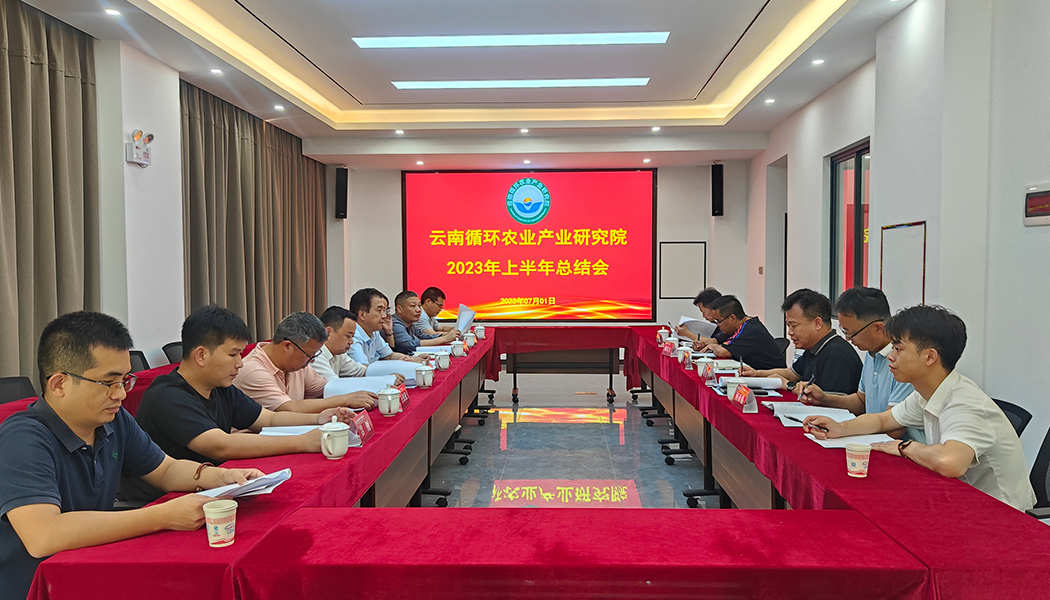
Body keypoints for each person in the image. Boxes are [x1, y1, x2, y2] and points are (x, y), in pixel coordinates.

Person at [0, 312, 264, 600]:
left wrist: (221, 477)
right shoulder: (23, 438)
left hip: (91, 571)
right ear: (59, 384)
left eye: (125, 380)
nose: (121, 395)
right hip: (36, 589)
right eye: (108, 383)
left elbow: (165, 470)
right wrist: (163, 516)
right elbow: (43, 535)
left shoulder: (113, 421)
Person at [804, 305, 1036, 511]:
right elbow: (883, 420)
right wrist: (840, 428)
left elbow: (950, 463)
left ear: (929, 357)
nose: (890, 357)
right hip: (962, 500)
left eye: (898, 349)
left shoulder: (965, 403)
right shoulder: (926, 393)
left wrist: (904, 447)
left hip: (1002, 514)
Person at [122, 306, 358, 503]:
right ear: (201, 355)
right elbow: (221, 446)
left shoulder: (220, 387)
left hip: (210, 490)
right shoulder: (168, 396)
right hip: (163, 501)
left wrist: (318, 419)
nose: (240, 363)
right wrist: (303, 442)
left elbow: (268, 419)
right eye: (233, 354)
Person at [798, 288, 923, 441]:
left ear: (878, 328)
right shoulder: (871, 353)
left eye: (851, 333)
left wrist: (844, 429)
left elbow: (894, 428)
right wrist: (824, 399)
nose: (848, 339)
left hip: (897, 445)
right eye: (844, 332)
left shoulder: (905, 361)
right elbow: (861, 401)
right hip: (874, 437)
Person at [234, 312, 377, 412]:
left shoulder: (298, 365)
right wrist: (344, 400)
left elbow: (326, 388)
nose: (312, 360)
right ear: (287, 346)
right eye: (309, 355)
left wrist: (373, 388)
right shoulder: (253, 370)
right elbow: (289, 409)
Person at [744, 288, 862, 395]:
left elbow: (830, 402)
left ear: (817, 324)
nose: (790, 332)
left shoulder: (835, 355)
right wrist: (757, 374)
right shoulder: (814, 347)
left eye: (794, 325)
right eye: (788, 326)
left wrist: (788, 385)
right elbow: (791, 374)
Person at [698, 295, 786, 371]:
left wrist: (714, 347)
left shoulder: (750, 331)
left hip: (771, 379)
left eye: (719, 321)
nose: (718, 325)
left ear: (732, 318)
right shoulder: (741, 326)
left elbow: (722, 352)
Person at [347, 288, 425, 365]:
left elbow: (390, 355)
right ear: (362, 315)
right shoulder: (352, 337)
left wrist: (411, 359)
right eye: (379, 310)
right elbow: (363, 369)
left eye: (385, 311)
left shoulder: (374, 332)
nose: (384, 316)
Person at [391, 290, 459, 354]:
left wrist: (446, 336)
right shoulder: (395, 324)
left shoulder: (410, 324)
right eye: (413, 306)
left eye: (419, 306)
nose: (418, 310)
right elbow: (412, 344)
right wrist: (444, 338)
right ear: (399, 309)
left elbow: (424, 336)